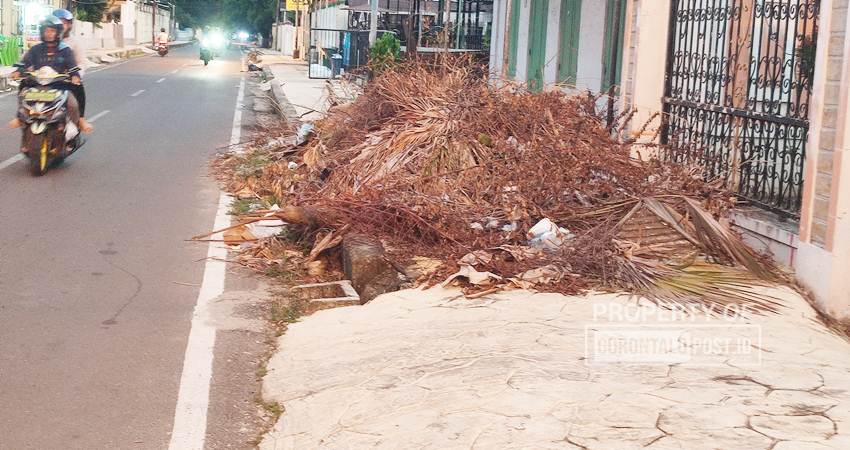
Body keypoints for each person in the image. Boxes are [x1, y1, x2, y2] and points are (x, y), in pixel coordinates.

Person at [8, 16, 89, 133]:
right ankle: (19, 117)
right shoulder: (35, 49)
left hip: (60, 84)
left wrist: (75, 76)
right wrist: (18, 71)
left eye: (52, 31)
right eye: (46, 31)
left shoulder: (65, 50)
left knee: (75, 96)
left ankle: (81, 119)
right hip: (37, 83)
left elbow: (72, 66)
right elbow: (25, 62)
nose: (49, 34)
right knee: (23, 86)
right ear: (42, 32)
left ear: (58, 32)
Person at [52, 8, 91, 133]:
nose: (60, 26)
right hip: (45, 80)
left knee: (74, 102)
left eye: (63, 23)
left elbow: (81, 62)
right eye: (57, 22)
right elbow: (31, 56)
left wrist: (76, 75)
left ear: (69, 25)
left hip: (66, 80)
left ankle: (80, 119)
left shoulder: (75, 42)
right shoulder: (45, 39)